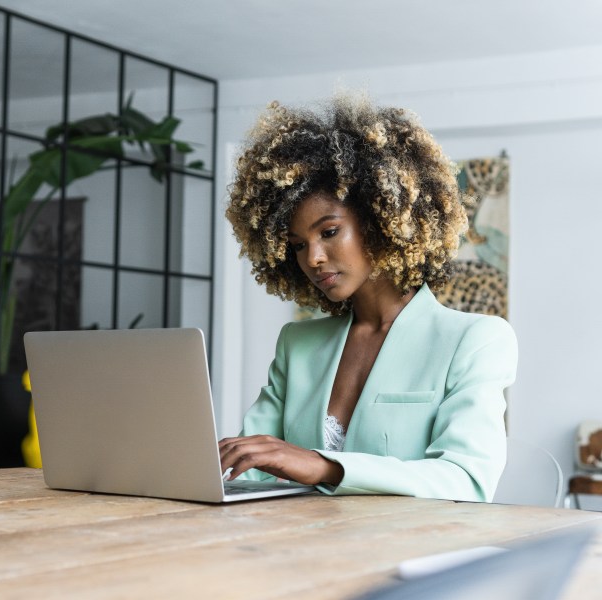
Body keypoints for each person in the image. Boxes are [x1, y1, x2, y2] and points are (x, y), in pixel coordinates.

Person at [219, 94, 517, 501]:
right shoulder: (298, 343)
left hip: (406, 554)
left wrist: (324, 466)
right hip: (296, 552)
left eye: (328, 232)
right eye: (297, 245)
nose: (313, 258)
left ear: (381, 220)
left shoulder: (474, 339)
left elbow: (467, 480)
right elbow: (249, 467)